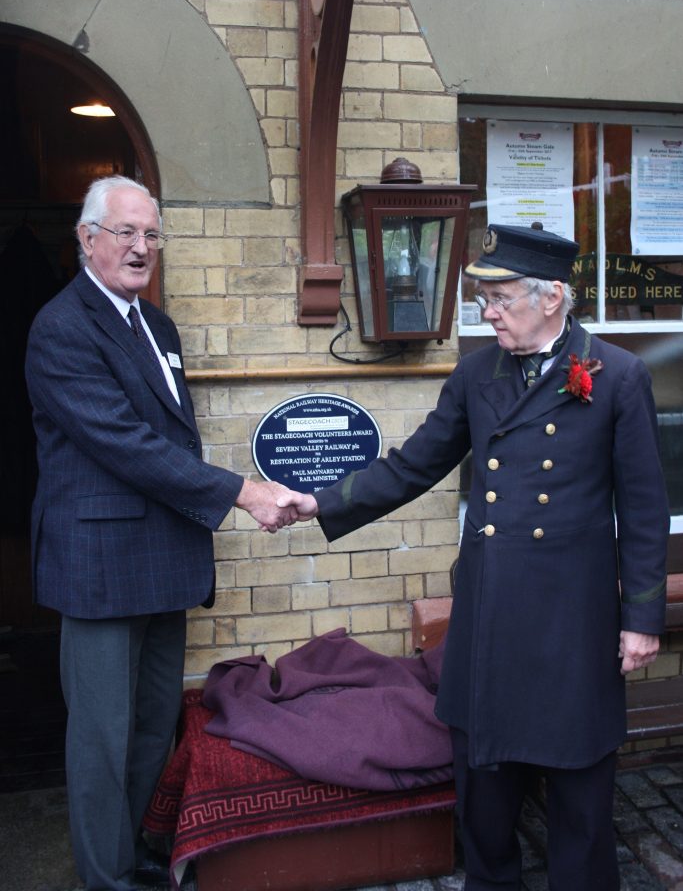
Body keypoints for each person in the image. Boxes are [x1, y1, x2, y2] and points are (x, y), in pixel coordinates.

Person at [279, 222, 670, 890]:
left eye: (499, 298)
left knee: (578, 802)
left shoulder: (618, 375)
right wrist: (322, 502)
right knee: (484, 803)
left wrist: (640, 618)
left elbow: (641, 510)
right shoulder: (475, 373)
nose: (485, 313)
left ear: (550, 297)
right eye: (480, 298)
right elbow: (413, 465)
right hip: (490, 615)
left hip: (570, 622)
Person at [25, 175, 296, 891]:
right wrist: (241, 492)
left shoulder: (158, 325)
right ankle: (106, 879)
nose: (141, 248)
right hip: (100, 568)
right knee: (102, 742)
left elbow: (170, 439)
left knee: (151, 728)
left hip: (162, 561)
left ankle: (142, 858)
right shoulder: (61, 327)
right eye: (125, 233)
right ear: (87, 241)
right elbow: (124, 443)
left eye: (151, 234)